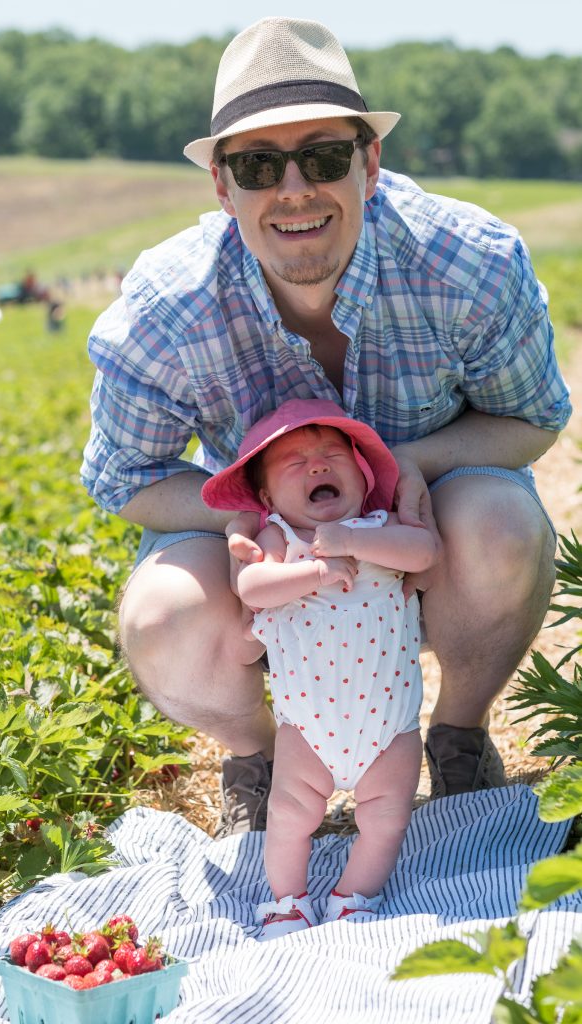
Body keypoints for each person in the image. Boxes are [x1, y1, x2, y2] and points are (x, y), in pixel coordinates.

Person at [81, 17, 571, 838]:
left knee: (500, 525)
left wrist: (408, 465)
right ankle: (259, 758)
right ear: (221, 185)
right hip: (265, 563)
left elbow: (531, 419)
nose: (294, 189)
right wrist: (261, 520)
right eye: (258, 165)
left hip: (432, 536)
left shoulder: (469, 261)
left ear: (369, 163)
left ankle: (455, 732)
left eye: (324, 156)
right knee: (162, 614)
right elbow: (124, 479)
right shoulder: (168, 307)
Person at [201, 399, 437, 937]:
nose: (317, 465)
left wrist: (354, 540)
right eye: (294, 461)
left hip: (390, 726)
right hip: (308, 727)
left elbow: (423, 551)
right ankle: (288, 902)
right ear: (266, 498)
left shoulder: (380, 526)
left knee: (387, 819)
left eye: (335, 453)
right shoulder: (281, 538)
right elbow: (252, 588)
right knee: (288, 819)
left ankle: (354, 896)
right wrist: (315, 572)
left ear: (364, 475)